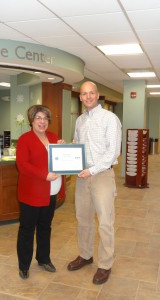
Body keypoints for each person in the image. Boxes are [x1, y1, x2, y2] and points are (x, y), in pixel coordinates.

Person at [67, 81, 122, 284]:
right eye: (84, 94)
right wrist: (67, 150)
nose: (88, 96)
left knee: (105, 222)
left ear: (97, 95)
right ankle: (86, 254)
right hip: (82, 177)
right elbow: (77, 144)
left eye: (91, 93)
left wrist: (92, 169)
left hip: (102, 176)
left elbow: (113, 151)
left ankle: (105, 264)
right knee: (83, 219)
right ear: (80, 97)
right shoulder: (80, 120)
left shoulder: (110, 119)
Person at [16, 104, 64, 279]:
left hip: (50, 192)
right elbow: (23, 165)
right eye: (38, 118)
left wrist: (63, 149)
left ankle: (44, 258)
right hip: (32, 192)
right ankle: (24, 265)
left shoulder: (53, 136)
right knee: (27, 229)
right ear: (32, 120)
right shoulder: (24, 139)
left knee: (45, 227)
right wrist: (45, 175)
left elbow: (59, 160)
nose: (42, 121)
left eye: (45, 118)